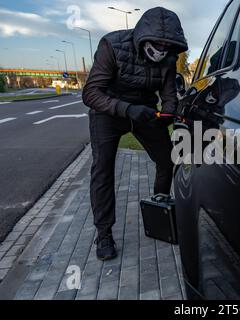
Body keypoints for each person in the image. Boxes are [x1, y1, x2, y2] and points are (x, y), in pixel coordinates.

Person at [82, 7, 188, 261]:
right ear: (143, 36)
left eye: (167, 44)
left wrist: (167, 116)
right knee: (103, 169)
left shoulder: (169, 57)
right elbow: (91, 94)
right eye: (157, 42)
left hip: (145, 113)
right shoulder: (112, 45)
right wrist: (127, 109)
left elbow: (169, 95)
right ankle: (104, 234)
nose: (161, 48)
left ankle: (159, 207)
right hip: (108, 112)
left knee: (166, 159)